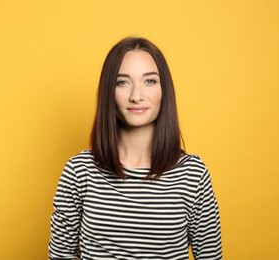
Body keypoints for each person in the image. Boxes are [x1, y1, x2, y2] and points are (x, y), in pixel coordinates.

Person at [48, 37, 222, 259]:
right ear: (108, 92)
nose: (136, 96)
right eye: (123, 82)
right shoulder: (79, 171)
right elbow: (60, 256)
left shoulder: (193, 174)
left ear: (164, 91)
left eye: (149, 81)